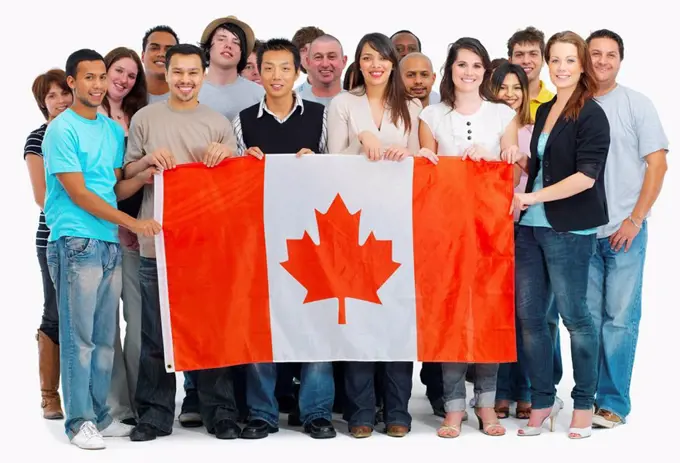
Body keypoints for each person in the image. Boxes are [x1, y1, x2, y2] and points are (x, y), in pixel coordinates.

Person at [42, 48, 162, 450]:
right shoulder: (62, 129)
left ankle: (100, 414)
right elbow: (77, 193)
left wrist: (145, 173)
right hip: (75, 241)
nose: (96, 85)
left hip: (108, 243)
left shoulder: (112, 131)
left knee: (106, 338)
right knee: (80, 338)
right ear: (72, 82)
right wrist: (132, 222)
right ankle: (78, 423)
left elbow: (113, 188)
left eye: (100, 77)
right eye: (88, 78)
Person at [124, 43, 242, 442]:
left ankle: (220, 411)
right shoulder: (145, 118)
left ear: (203, 74)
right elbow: (124, 180)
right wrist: (145, 163)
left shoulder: (217, 124)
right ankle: (155, 414)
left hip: (206, 247)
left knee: (210, 332)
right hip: (156, 245)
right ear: (167, 73)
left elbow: (238, 186)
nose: (186, 80)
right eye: (178, 73)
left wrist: (227, 153)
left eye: (193, 73)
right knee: (155, 336)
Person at [418, 37, 521, 438]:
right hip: (445, 231)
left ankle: (487, 405)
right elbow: (424, 175)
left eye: (477, 65)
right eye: (462, 65)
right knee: (451, 313)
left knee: (490, 313)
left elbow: (512, 171)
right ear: (451, 69)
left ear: (486, 71)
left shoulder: (500, 115)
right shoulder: (431, 115)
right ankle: (453, 407)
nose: (469, 72)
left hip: (491, 230)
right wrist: (430, 161)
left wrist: (496, 159)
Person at [232, 38, 335, 439]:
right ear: (258, 73)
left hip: (313, 238)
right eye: (268, 68)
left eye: (285, 68)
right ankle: (261, 412)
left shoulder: (320, 117)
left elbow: (343, 178)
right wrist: (244, 167)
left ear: (298, 72)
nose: (276, 76)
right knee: (262, 324)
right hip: (261, 237)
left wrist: (319, 166)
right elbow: (231, 187)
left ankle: (317, 412)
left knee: (315, 323)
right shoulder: (242, 121)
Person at [511, 31, 611, 440]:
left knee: (576, 319)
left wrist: (532, 196)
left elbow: (586, 178)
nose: (562, 67)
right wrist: (516, 159)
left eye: (570, 60)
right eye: (556, 60)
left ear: (582, 65)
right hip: (530, 229)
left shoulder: (591, 113)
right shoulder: (547, 107)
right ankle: (542, 401)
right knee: (532, 319)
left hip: (570, 229)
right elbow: (541, 163)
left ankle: (584, 403)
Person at [327, 32, 422, 439]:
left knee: (397, 315)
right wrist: (361, 140)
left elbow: (424, 160)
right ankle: (361, 410)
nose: (375, 65)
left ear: (391, 63)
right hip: (353, 223)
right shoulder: (343, 103)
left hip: (398, 222)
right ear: (359, 64)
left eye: (381, 57)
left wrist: (408, 154)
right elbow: (330, 164)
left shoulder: (413, 106)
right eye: (367, 58)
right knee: (360, 318)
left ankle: (398, 409)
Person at [585, 29, 669, 429]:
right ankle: (587, 397)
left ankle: (613, 402)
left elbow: (658, 165)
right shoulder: (574, 103)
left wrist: (635, 220)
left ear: (621, 59)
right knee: (586, 319)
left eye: (610, 54)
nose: (602, 61)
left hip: (624, 231)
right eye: (595, 54)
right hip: (582, 233)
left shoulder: (637, 104)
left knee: (619, 319)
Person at [98, 46, 149, 425]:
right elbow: (105, 183)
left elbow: (135, 178)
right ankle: (114, 404)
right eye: (119, 70)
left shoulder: (138, 116)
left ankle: (137, 401)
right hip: (100, 229)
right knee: (105, 325)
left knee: (139, 321)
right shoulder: (86, 116)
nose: (124, 79)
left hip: (135, 231)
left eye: (132, 75)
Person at [25, 68, 73, 421]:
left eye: (62, 93)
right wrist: (84, 208)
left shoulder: (86, 131)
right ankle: (48, 394)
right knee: (55, 308)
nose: (59, 101)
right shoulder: (38, 138)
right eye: (51, 96)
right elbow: (42, 196)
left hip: (96, 232)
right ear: (43, 103)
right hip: (53, 235)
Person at [487, 61, 533, 419]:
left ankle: (527, 388)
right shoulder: (489, 124)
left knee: (529, 312)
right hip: (492, 226)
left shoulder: (537, 127)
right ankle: (500, 391)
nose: (510, 94)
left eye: (517, 87)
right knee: (498, 311)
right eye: (503, 87)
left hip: (528, 225)